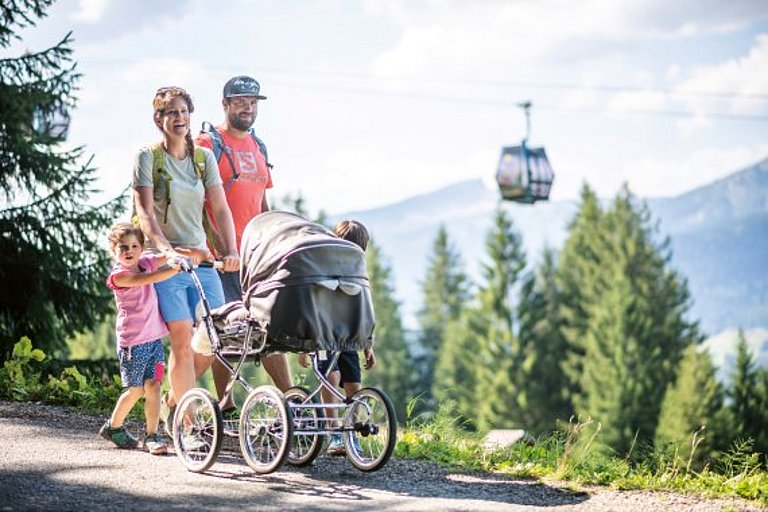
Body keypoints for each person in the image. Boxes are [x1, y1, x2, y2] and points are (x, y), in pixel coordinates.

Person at [132, 86, 239, 435]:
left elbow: (219, 208)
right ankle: (189, 428)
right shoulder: (148, 158)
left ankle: (174, 402)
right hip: (165, 263)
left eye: (184, 112)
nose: (179, 118)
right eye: (172, 113)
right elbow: (144, 215)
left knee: (214, 337)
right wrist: (165, 250)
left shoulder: (203, 158)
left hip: (200, 258)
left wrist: (231, 250)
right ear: (158, 119)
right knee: (181, 337)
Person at [195, 75, 293, 413]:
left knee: (269, 329)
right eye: (240, 101)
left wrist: (272, 244)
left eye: (252, 103)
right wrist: (218, 248)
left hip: (255, 259)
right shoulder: (208, 144)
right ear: (225, 104)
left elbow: (261, 202)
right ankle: (219, 403)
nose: (247, 108)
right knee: (225, 331)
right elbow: (198, 201)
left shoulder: (258, 146)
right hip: (221, 258)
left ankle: (291, 399)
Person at [99, 223, 182, 454]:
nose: (129, 250)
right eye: (123, 247)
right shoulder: (119, 276)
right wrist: (177, 268)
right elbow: (150, 279)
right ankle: (113, 428)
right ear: (113, 249)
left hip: (154, 340)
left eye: (135, 246)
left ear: (141, 248)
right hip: (133, 343)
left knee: (154, 386)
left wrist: (196, 254)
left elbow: (166, 257)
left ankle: (152, 436)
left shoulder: (145, 262)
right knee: (135, 390)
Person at [298, 219, 376, 456]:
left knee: (353, 382)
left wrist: (367, 345)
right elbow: (310, 305)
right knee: (331, 377)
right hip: (322, 335)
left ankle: (350, 431)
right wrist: (304, 344)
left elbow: (363, 312)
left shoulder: (358, 276)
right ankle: (333, 432)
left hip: (346, 336)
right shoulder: (323, 271)